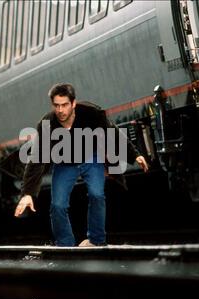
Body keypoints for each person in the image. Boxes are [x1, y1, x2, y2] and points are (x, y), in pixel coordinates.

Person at [14, 83, 149, 247]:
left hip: (90, 158)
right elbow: (36, 159)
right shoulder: (47, 123)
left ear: (73, 103)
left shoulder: (91, 113)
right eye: (56, 106)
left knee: (97, 195)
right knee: (57, 205)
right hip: (64, 163)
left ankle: (96, 240)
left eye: (64, 105)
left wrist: (135, 154)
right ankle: (65, 244)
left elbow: (111, 131)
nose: (61, 110)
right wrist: (27, 193)